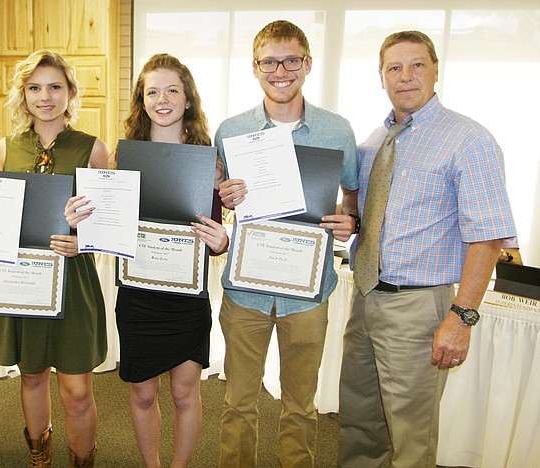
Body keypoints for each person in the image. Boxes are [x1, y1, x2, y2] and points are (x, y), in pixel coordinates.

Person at [338, 30, 517, 467]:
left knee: (411, 437)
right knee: (359, 425)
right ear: (381, 77)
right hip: (364, 298)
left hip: (418, 308)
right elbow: (365, 210)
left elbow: (488, 236)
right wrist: (349, 218)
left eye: (417, 64)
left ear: (436, 70)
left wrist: (462, 317)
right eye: (394, 67)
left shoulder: (468, 140)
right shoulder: (374, 141)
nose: (405, 76)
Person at [0, 50, 110, 468]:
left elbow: (109, 224)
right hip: (21, 281)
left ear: (70, 93)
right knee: (32, 377)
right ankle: (41, 462)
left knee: (76, 390)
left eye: (55, 87)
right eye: (35, 88)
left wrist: (82, 241)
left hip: (73, 282)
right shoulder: (4, 148)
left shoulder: (94, 149)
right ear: (23, 94)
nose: (45, 97)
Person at [66, 53, 229, 468]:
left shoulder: (208, 162)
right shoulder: (125, 159)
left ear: (188, 99)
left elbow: (216, 234)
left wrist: (222, 240)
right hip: (139, 297)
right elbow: (103, 229)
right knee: (142, 393)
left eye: (172, 89)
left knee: (184, 393)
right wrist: (79, 221)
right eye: (152, 91)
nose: (162, 99)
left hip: (186, 297)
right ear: (142, 100)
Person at [214, 20, 359, 467]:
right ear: (255, 67)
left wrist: (348, 219)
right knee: (239, 403)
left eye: (291, 59)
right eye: (269, 61)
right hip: (247, 290)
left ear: (308, 64)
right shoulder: (230, 130)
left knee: (300, 406)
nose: (281, 70)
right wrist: (223, 197)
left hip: (309, 292)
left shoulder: (337, 131)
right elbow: (214, 203)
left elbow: (352, 195)